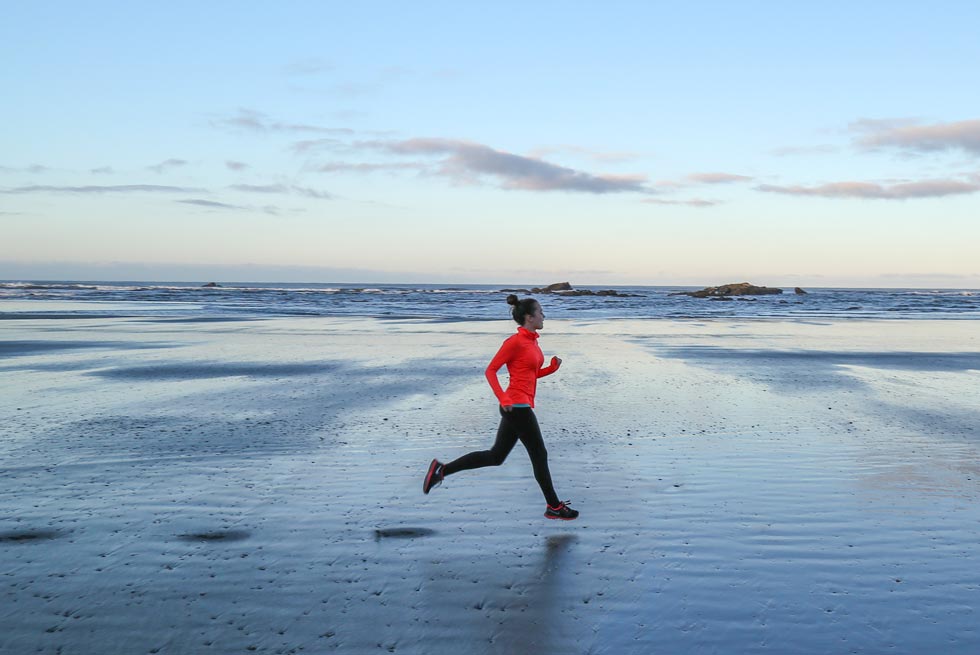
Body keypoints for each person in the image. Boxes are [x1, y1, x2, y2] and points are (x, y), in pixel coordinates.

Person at [422, 294, 578, 520]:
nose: (544, 315)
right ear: (529, 317)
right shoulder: (514, 342)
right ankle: (553, 506)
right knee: (539, 454)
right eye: (540, 311)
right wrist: (503, 398)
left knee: (496, 456)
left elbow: (530, 374)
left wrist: (551, 369)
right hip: (516, 406)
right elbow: (491, 370)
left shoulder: (533, 342)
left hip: (518, 405)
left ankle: (441, 470)